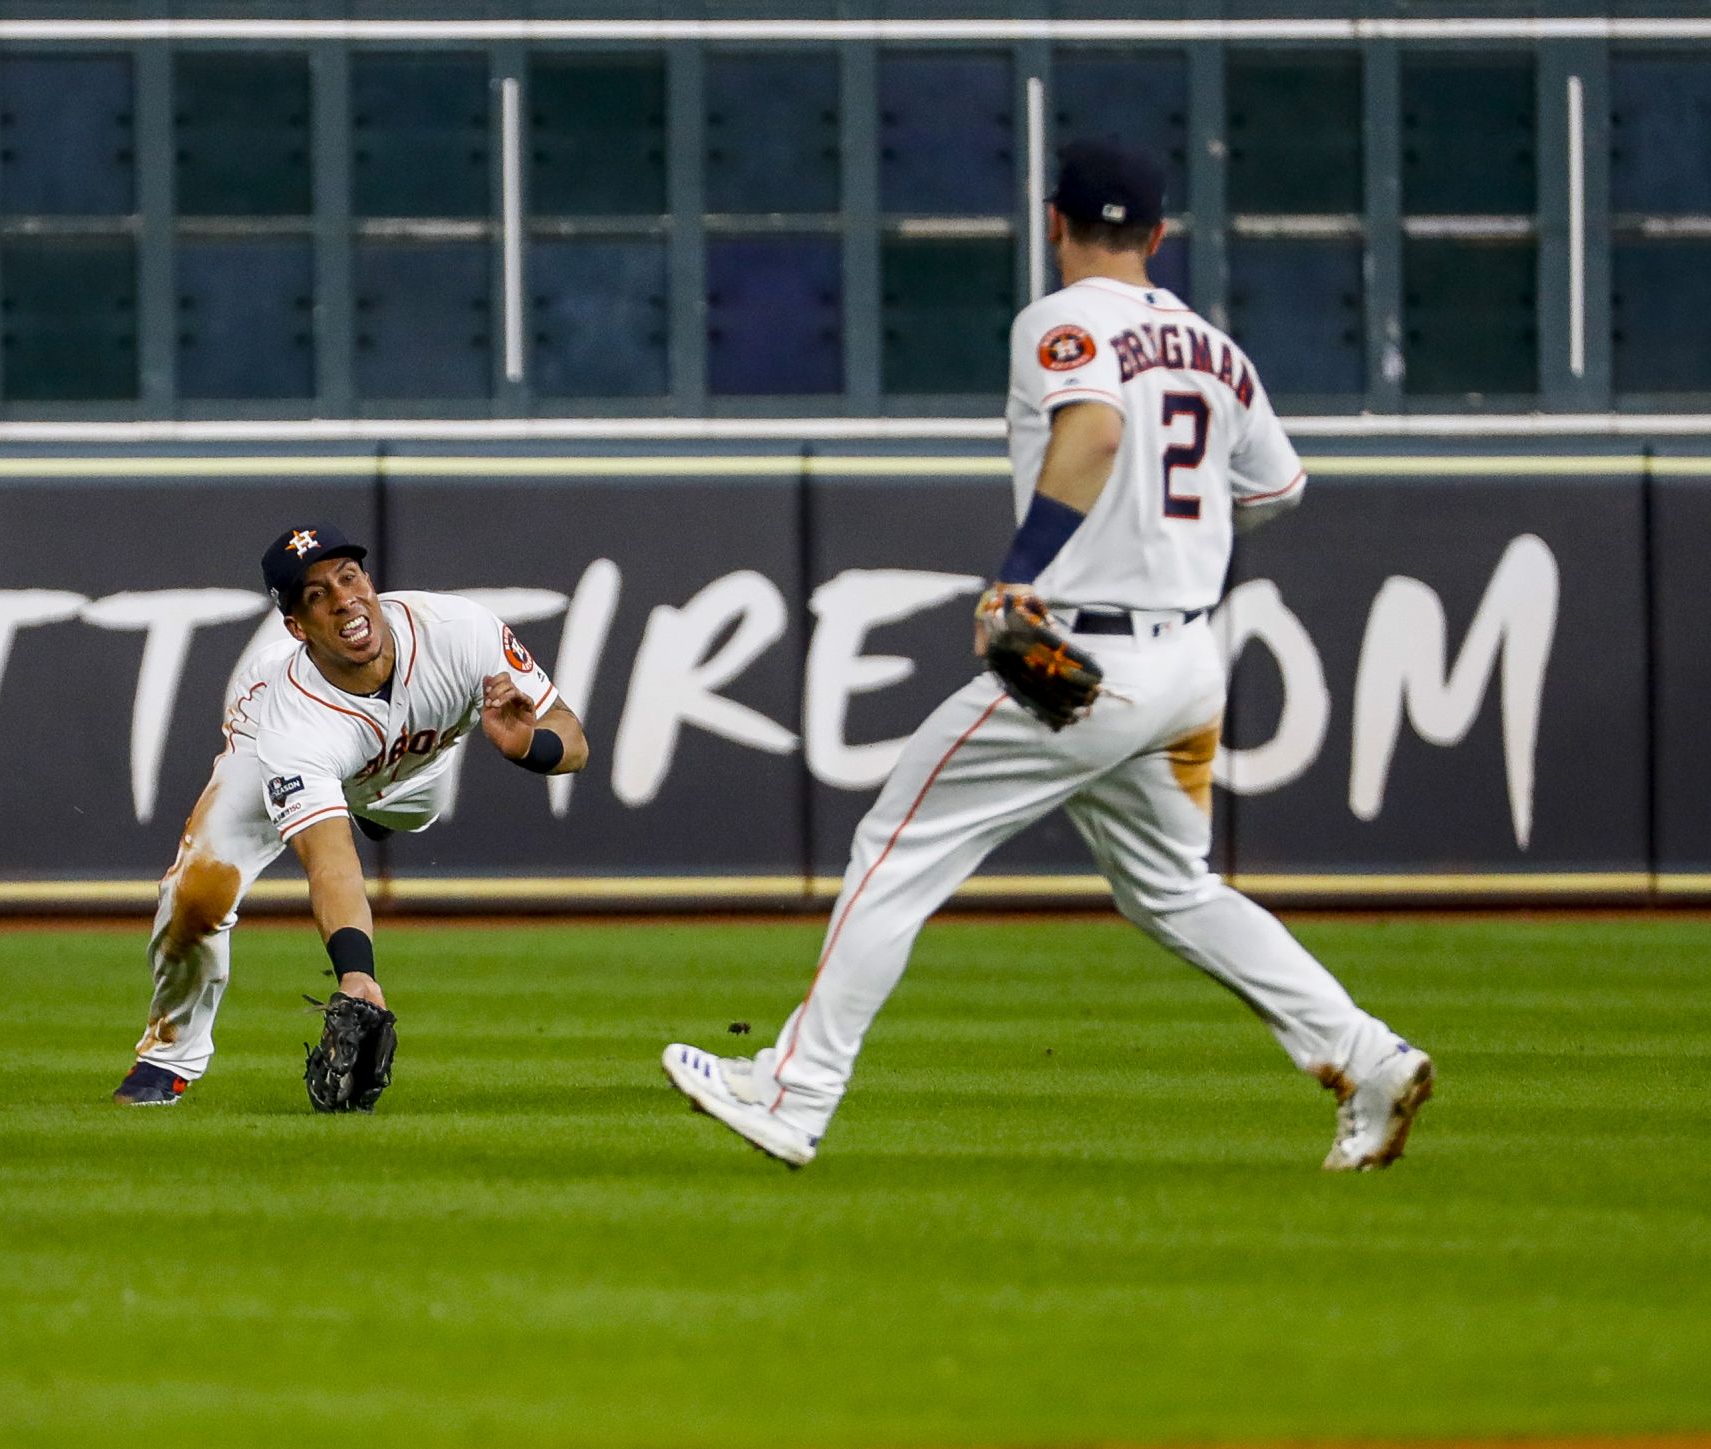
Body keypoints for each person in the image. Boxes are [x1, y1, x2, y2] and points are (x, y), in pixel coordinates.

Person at [661, 138, 1432, 1171]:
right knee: (1170, 887)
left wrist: (1018, 572)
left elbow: (1097, 430)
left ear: (1053, 222)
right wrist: (1170, 547)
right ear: (1157, 236)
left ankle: (795, 1093)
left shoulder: (1061, 319)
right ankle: (1362, 1055)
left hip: (1081, 661)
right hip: (1186, 661)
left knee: (894, 853)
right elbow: (1275, 492)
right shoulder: (1216, 348)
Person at [113, 524, 589, 1105]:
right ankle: (169, 1058)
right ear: (297, 627)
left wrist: (528, 749)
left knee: (413, 811)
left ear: (370, 581)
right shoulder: (290, 721)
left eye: (349, 577)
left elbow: (573, 738)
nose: (343, 600)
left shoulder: (460, 632)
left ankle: (376, 810)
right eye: (316, 596)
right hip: (272, 754)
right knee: (196, 897)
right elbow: (330, 862)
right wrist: (355, 974)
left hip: (411, 782)